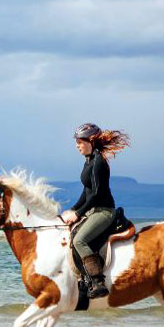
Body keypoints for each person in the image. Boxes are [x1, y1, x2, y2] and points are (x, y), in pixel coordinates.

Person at [59, 123, 130, 298]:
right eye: (77, 142)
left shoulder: (99, 162)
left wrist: (78, 213)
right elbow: (86, 192)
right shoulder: (88, 161)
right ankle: (84, 278)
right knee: (72, 234)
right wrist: (74, 209)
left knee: (80, 241)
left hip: (103, 211)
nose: (77, 145)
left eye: (80, 142)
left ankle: (98, 282)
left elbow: (97, 194)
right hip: (92, 210)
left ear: (90, 141)